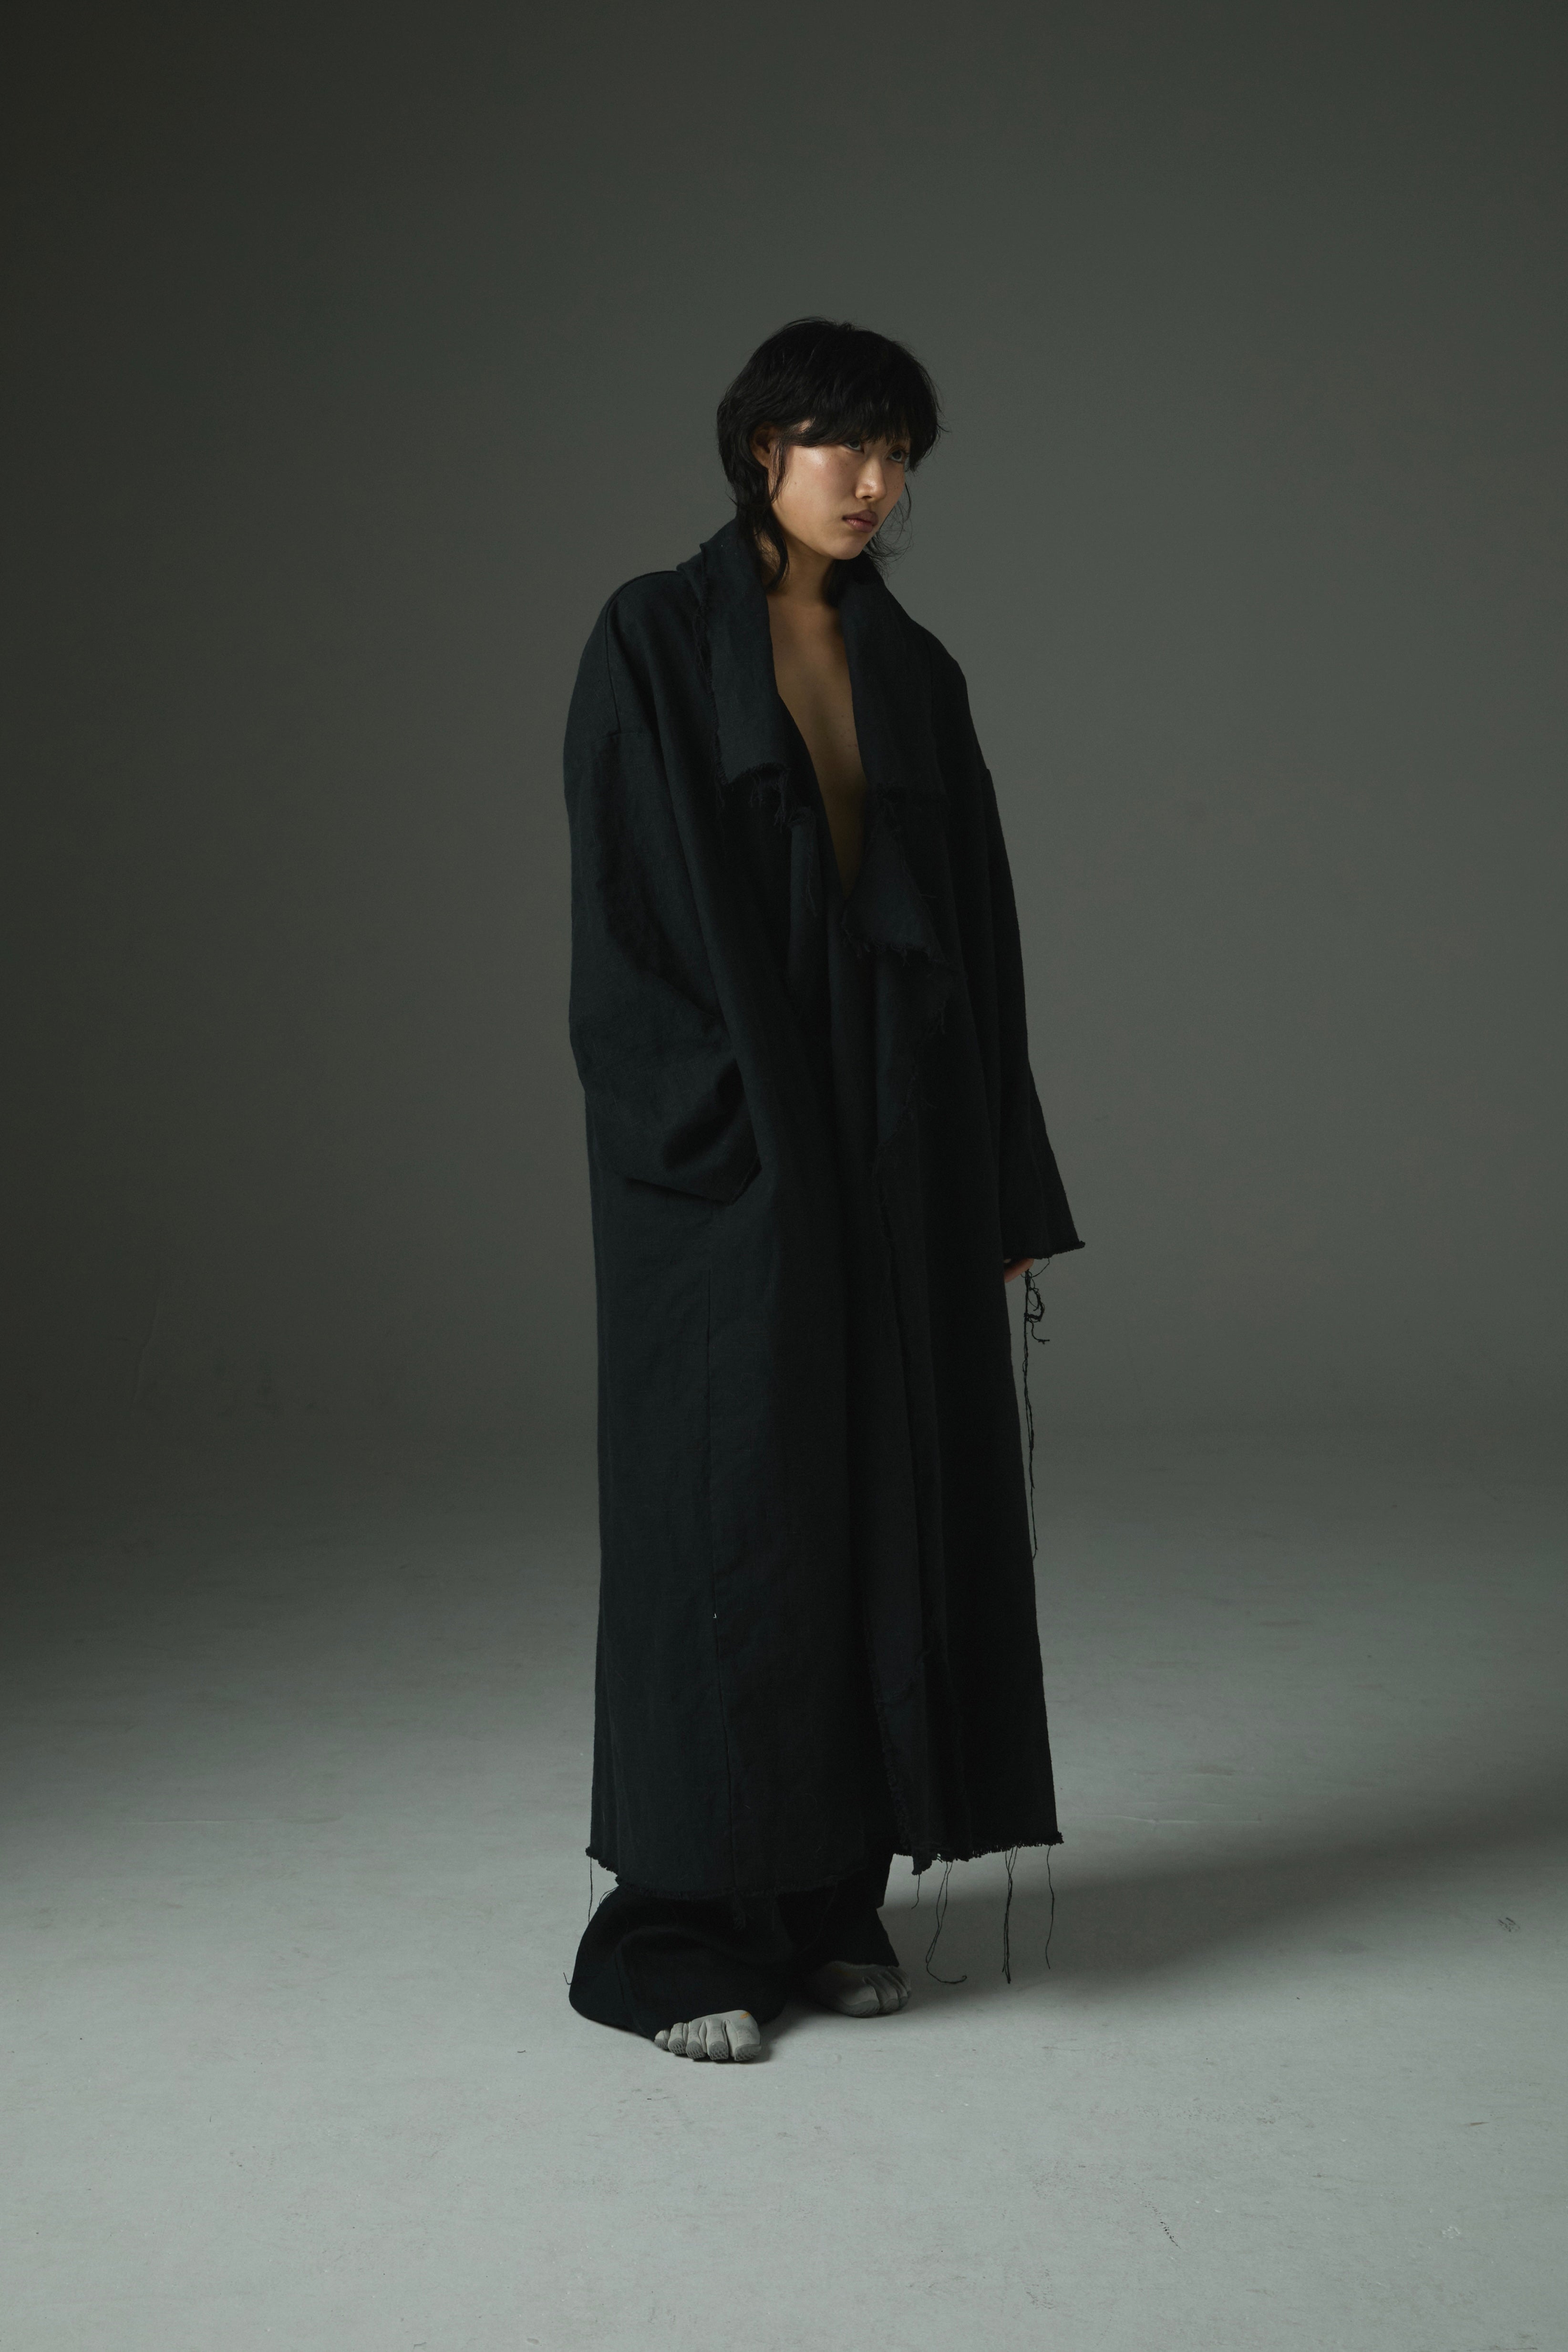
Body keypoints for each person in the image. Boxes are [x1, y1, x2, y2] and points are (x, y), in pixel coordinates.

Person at [562, 318, 1083, 2062]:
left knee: (884, 1499)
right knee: (734, 1510)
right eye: (843, 445)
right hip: (732, 1158)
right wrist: (721, 1145)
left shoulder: (914, 667)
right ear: (760, 449)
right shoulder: (653, 638)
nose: (876, 482)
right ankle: (681, 1920)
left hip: (901, 1146)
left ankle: (829, 1892)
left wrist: (995, 1181)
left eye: (898, 453)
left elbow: (981, 939)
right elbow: (628, 930)